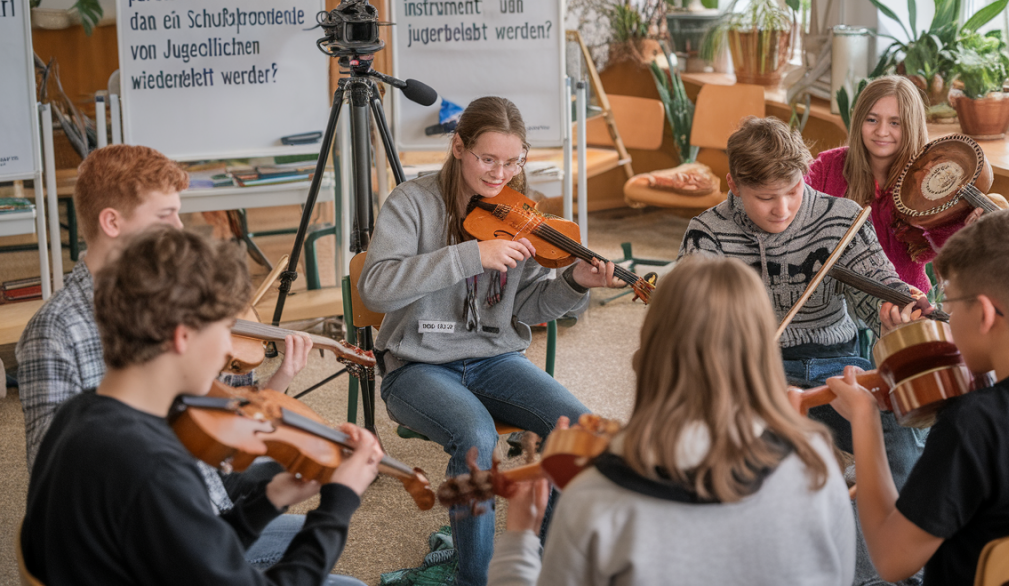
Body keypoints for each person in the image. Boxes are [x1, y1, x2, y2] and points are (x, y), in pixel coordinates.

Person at [21, 227, 381, 585]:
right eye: (224, 330)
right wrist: (338, 504)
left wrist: (270, 499)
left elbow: (200, 551)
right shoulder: (154, 467)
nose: (228, 349)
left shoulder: (80, 411)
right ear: (183, 337)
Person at [358, 96, 622, 586]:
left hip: (495, 360)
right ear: (459, 147)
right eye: (488, 159)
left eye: (513, 161)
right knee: (476, 438)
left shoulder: (520, 211)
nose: (501, 173)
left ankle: (538, 567)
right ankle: (474, 580)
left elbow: (526, 308)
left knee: (577, 433)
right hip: (417, 365)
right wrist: (472, 256)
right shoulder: (412, 202)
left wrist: (574, 284)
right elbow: (374, 288)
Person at [15, 143, 314, 568]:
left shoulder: (163, 295)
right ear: (112, 222)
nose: (178, 228)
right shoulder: (55, 331)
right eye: (164, 215)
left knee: (310, 516)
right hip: (157, 533)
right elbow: (55, 473)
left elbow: (220, 413)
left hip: (207, 498)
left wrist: (277, 383)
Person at [487, 256, 856, 585]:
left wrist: (519, 541)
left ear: (651, 349)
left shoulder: (596, 495)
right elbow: (838, 575)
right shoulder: (815, 463)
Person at [679, 116, 930, 586]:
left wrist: (893, 310)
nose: (783, 209)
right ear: (734, 184)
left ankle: (878, 571)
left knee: (899, 426)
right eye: (765, 198)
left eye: (793, 190)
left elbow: (877, 290)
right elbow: (693, 327)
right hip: (756, 370)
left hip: (838, 365)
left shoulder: (841, 217)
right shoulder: (707, 233)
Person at [826, 207, 1009, 586]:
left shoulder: (974, 424)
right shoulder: (982, 414)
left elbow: (891, 559)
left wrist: (866, 420)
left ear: (983, 314)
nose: (944, 315)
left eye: (948, 302)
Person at [805, 76, 996, 294]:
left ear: (911, 126)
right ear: (858, 121)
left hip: (906, 301)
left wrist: (967, 228)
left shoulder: (930, 182)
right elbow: (795, 202)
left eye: (895, 123)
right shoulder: (828, 165)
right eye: (872, 120)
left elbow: (941, 251)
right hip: (836, 298)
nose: (882, 131)